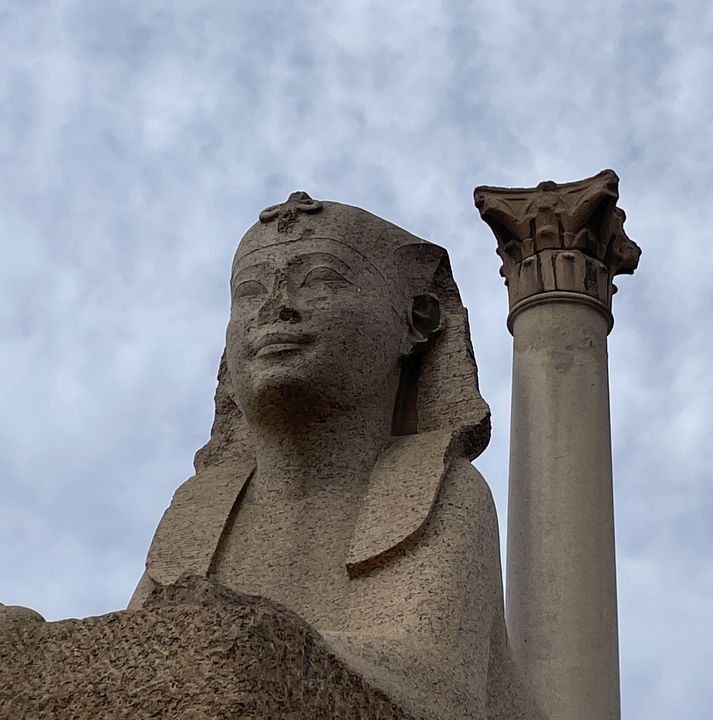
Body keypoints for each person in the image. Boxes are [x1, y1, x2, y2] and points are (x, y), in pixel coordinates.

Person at [130, 192, 544, 720]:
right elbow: (131, 656)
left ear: (416, 320)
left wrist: (254, 636)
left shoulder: (445, 489)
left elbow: (433, 684)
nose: (276, 307)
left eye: (322, 278)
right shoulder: (201, 507)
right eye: (249, 290)